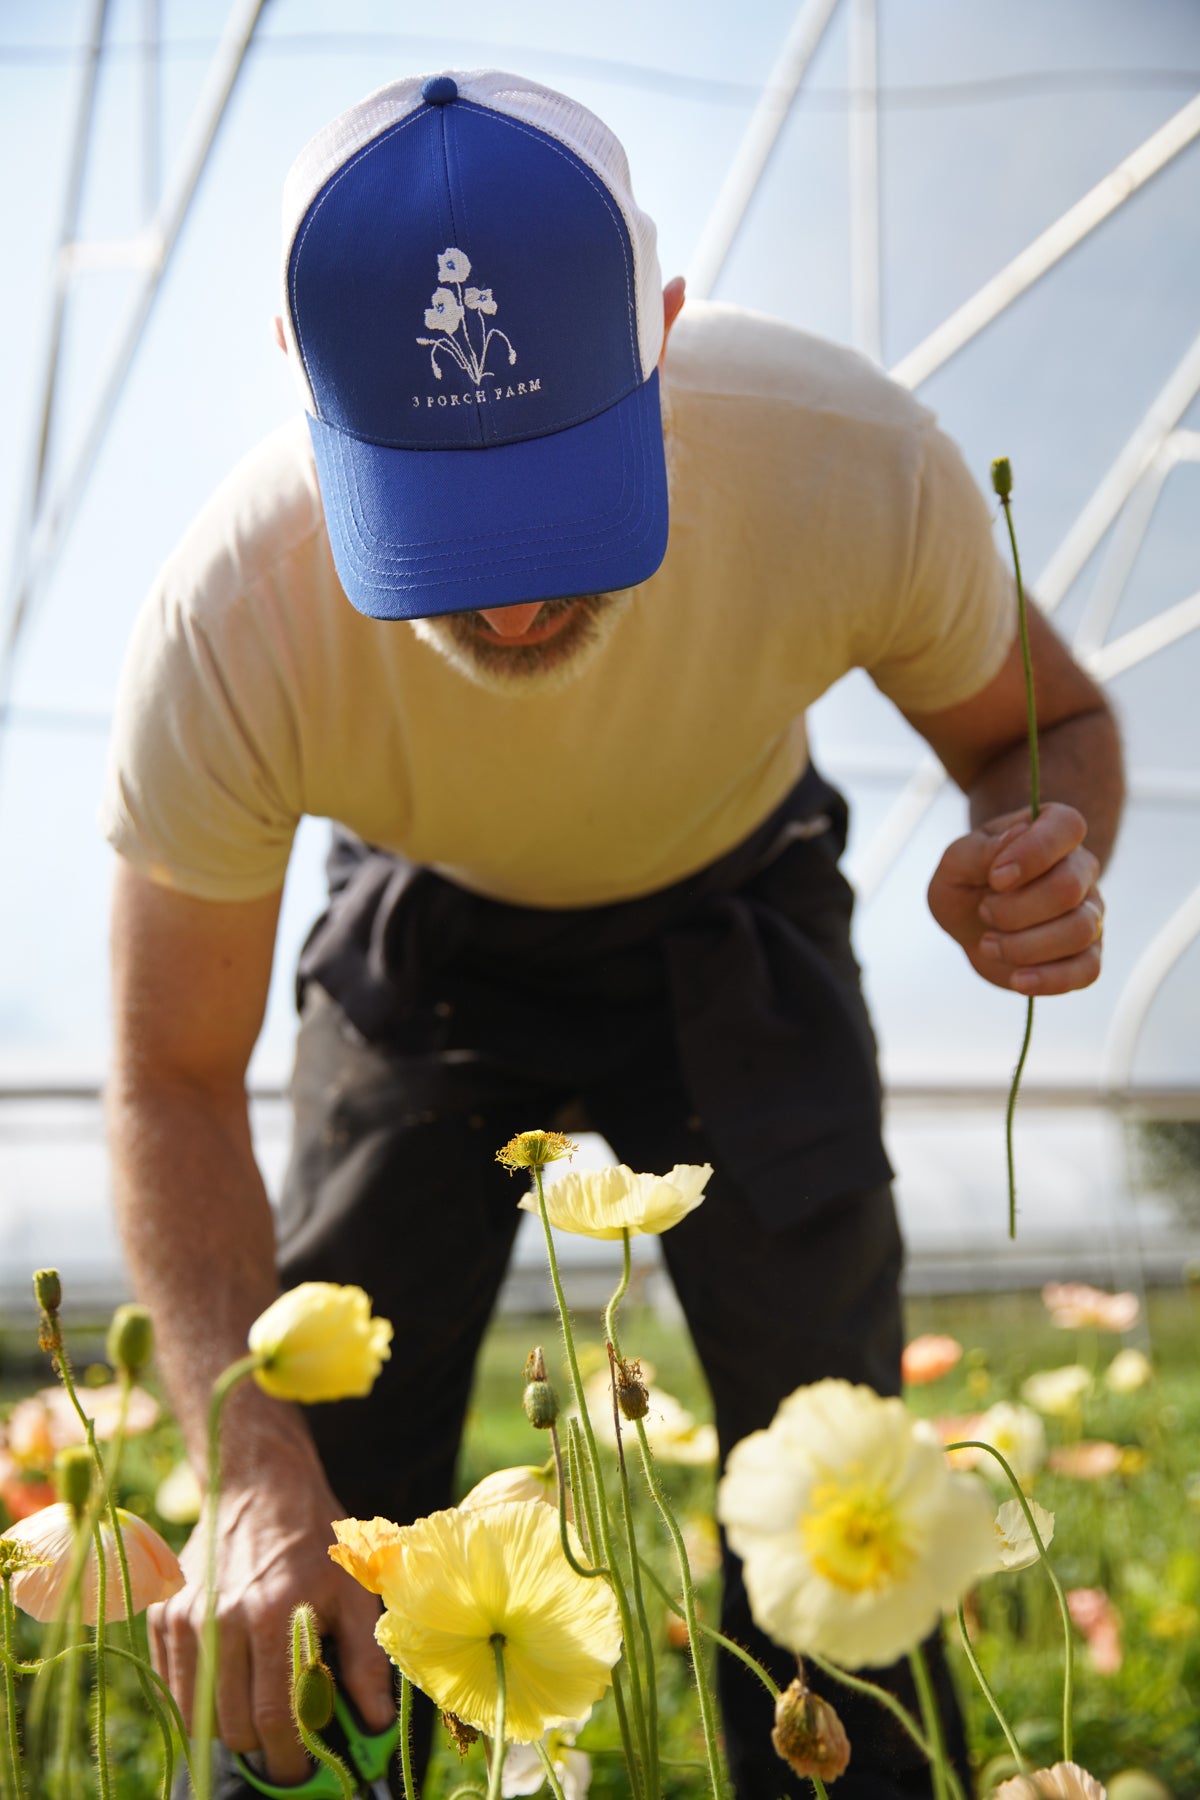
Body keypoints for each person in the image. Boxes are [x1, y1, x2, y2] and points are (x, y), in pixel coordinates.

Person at [102, 69, 1123, 1800]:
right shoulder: (231, 623)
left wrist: (1037, 842)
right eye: (443, 521)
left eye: (562, 493)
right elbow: (170, 1077)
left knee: (832, 1464)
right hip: (426, 936)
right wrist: (248, 1469)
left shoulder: (846, 459)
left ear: (665, 329)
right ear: (303, 380)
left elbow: (1049, 723)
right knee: (319, 1463)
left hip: (738, 903)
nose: (513, 603)